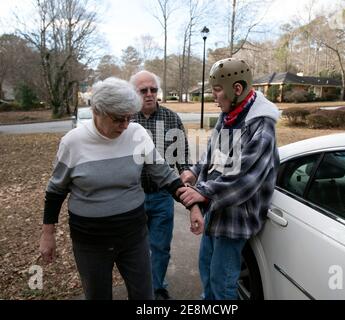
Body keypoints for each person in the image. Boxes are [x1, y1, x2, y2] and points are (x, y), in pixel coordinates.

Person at [39, 77, 199, 300]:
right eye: (118, 119)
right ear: (97, 111)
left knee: (145, 296)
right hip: (90, 241)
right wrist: (48, 234)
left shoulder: (137, 133)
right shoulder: (73, 143)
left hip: (133, 235)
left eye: (129, 118)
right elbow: (55, 192)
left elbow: (164, 175)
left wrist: (192, 204)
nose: (125, 125)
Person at [179, 58, 280, 300]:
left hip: (236, 214)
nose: (213, 96)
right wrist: (194, 170)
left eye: (216, 90)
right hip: (216, 208)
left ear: (236, 89)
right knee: (206, 269)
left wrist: (204, 193)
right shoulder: (232, 114)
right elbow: (215, 152)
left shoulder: (261, 125)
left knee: (223, 282)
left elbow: (246, 178)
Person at [129, 70, 191, 300]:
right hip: (132, 196)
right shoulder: (126, 119)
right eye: (143, 90)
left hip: (162, 196)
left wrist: (186, 171)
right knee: (136, 250)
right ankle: (141, 290)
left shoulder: (172, 118)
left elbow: (182, 154)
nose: (149, 94)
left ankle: (157, 288)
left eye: (153, 89)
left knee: (161, 248)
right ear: (134, 93)